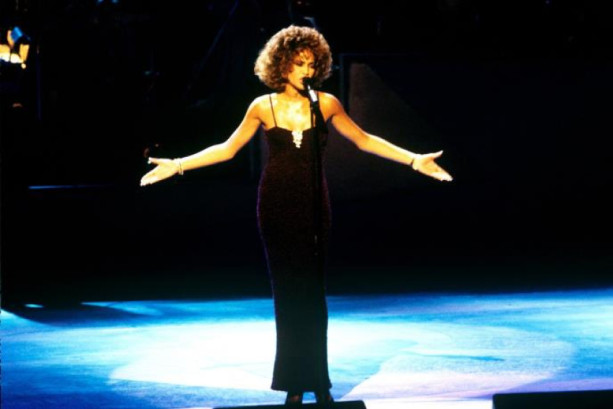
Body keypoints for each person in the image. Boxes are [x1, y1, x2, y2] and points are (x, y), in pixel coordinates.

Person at [140, 25, 452, 405]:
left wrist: (414, 160)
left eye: (312, 64)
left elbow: (364, 139)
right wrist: (177, 164)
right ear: (281, 64)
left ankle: (318, 381)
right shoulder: (262, 106)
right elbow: (227, 149)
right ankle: (294, 384)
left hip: (315, 205)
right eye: (299, 63)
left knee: (313, 296)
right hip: (275, 205)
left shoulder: (327, 103)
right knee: (288, 295)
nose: (306, 70)